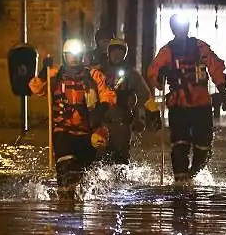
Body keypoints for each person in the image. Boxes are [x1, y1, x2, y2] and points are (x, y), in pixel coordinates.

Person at [147, 13, 226, 183]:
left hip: (201, 104)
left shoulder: (200, 47)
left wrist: (222, 91)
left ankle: (193, 173)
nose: (181, 30)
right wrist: (162, 74)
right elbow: (153, 72)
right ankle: (180, 180)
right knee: (179, 143)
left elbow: (215, 66)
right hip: (179, 104)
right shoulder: (167, 51)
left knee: (204, 144)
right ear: (173, 29)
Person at [29, 38, 116, 197]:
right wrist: (43, 70)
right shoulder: (54, 75)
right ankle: (64, 203)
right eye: (70, 55)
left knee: (80, 172)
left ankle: (77, 199)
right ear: (64, 56)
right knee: (64, 168)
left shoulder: (93, 75)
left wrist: (101, 109)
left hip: (87, 132)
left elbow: (108, 94)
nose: (74, 58)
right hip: (63, 130)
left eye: (77, 54)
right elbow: (36, 88)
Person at [102, 38, 162, 165]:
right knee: (101, 160)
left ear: (124, 54)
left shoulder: (131, 74)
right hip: (103, 124)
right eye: (114, 52)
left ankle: (121, 181)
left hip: (122, 124)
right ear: (109, 53)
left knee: (121, 159)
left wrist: (154, 113)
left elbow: (144, 95)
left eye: (120, 52)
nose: (116, 55)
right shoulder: (100, 72)